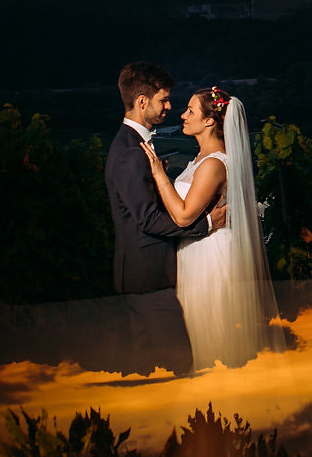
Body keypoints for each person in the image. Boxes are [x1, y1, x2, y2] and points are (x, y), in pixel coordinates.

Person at [140, 85, 280, 369]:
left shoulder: (214, 164)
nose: (182, 115)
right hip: (196, 250)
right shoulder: (202, 159)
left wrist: (158, 175)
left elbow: (183, 216)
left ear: (209, 120)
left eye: (190, 110)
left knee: (211, 335)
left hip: (208, 257)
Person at [105, 61, 225, 375]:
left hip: (143, 275)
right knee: (180, 365)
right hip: (149, 278)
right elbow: (148, 220)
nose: (170, 107)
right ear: (142, 102)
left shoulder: (134, 145)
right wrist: (208, 224)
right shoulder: (132, 152)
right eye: (164, 100)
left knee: (147, 368)